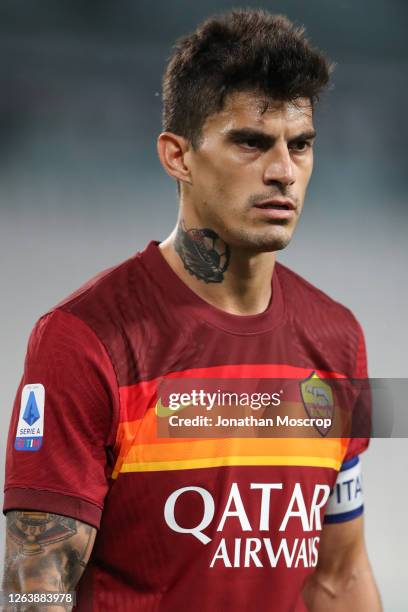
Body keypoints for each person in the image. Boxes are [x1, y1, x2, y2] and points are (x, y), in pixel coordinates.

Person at [2, 9, 381, 612]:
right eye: (251, 143)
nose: (283, 171)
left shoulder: (339, 339)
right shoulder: (80, 340)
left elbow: (340, 577)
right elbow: (33, 594)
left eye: (300, 144)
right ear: (177, 156)